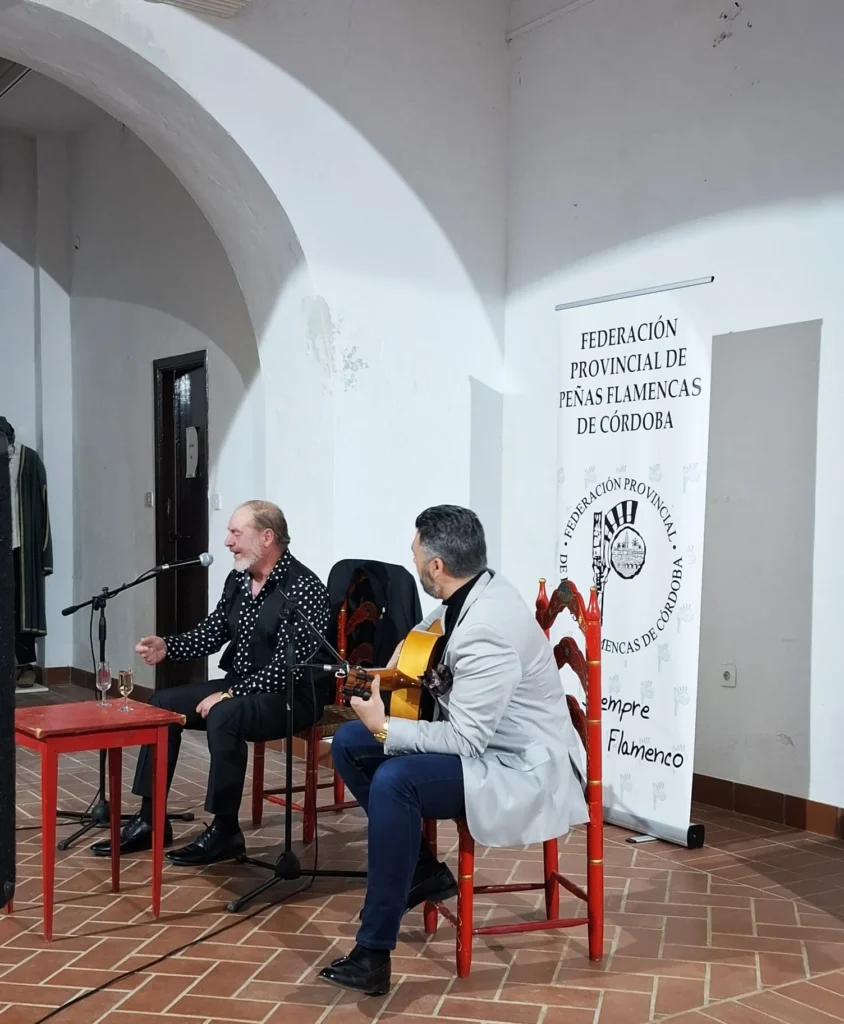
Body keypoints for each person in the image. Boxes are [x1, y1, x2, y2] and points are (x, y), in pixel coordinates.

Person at [317, 505, 589, 996]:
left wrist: (386, 727)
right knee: (352, 745)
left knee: (394, 780)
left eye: (416, 552)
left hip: (518, 768)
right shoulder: (470, 591)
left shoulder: (488, 628)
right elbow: (432, 641)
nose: (414, 559)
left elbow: (466, 740)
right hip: (490, 746)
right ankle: (421, 870)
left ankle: (374, 952)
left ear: (436, 567)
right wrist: (391, 672)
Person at [90, 500, 331, 867]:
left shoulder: (303, 588)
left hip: (292, 695)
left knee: (225, 714)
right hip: (243, 684)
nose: (227, 542)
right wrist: (169, 646)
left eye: (236, 533)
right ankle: (151, 819)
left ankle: (225, 829)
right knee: (161, 704)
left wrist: (231, 693)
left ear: (267, 537)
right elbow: (214, 630)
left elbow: (290, 667)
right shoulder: (239, 579)